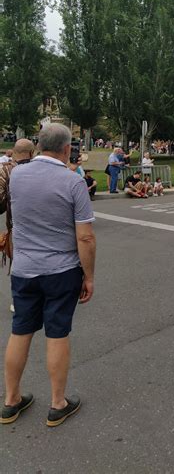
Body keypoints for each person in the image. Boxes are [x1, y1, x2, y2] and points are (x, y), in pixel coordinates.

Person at [1, 123, 95, 426]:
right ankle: (57, 403)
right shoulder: (73, 182)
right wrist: (89, 276)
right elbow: (85, 237)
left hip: (24, 268)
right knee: (57, 332)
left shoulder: (17, 175)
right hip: (60, 270)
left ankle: (11, 400)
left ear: (39, 145)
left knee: (20, 331)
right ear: (67, 148)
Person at [0, 140, 36, 314]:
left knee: (18, 263)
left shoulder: (6, 170)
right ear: (32, 152)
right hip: (44, 226)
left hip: (17, 225)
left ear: (14, 152)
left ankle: (19, 300)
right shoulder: (41, 169)